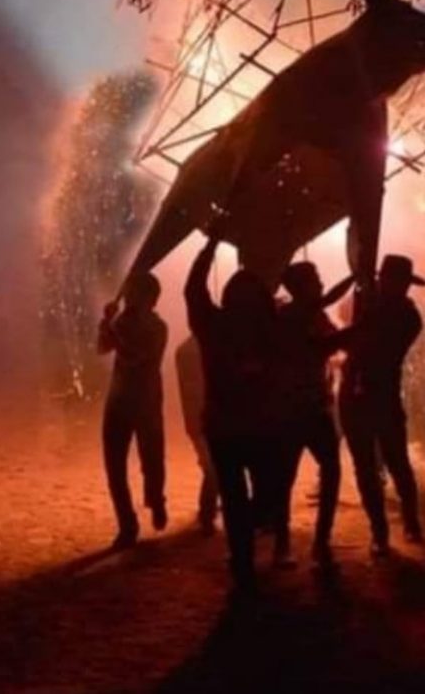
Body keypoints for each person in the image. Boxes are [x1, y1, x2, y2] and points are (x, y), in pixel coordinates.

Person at [184, 231, 279, 592]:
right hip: (247, 428)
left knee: (243, 498)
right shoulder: (252, 330)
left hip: (232, 428)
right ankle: (242, 560)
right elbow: (194, 291)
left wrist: (210, 247)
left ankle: (242, 556)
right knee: (255, 498)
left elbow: (193, 290)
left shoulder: (218, 326)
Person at [338, 254, 425, 556]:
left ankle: (411, 523)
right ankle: (380, 532)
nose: (401, 287)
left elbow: (370, 345)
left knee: (397, 462)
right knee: (365, 467)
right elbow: (349, 333)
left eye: (402, 282)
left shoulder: (409, 317)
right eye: (395, 281)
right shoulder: (369, 305)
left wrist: (367, 314)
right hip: (354, 395)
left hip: (383, 396)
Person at [273, 262, 353, 568]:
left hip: (312, 407)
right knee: (288, 477)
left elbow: (334, 342)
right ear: (301, 286)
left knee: (321, 471)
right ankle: (294, 543)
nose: (320, 285)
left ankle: (314, 541)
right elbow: (327, 344)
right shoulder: (287, 317)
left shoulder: (310, 314)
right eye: (315, 280)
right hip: (295, 409)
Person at [97, 273, 169, 552]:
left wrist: (112, 327)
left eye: (134, 293)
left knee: (152, 460)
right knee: (114, 465)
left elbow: (136, 357)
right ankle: (127, 524)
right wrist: (106, 325)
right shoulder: (122, 323)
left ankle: (156, 499)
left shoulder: (158, 328)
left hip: (146, 401)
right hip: (118, 401)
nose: (128, 298)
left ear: (149, 299)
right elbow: (102, 348)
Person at [175, 335, 218, 534]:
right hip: (207, 420)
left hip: (197, 420)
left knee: (212, 466)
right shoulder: (202, 350)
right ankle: (207, 514)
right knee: (213, 468)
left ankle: (208, 511)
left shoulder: (184, 350)